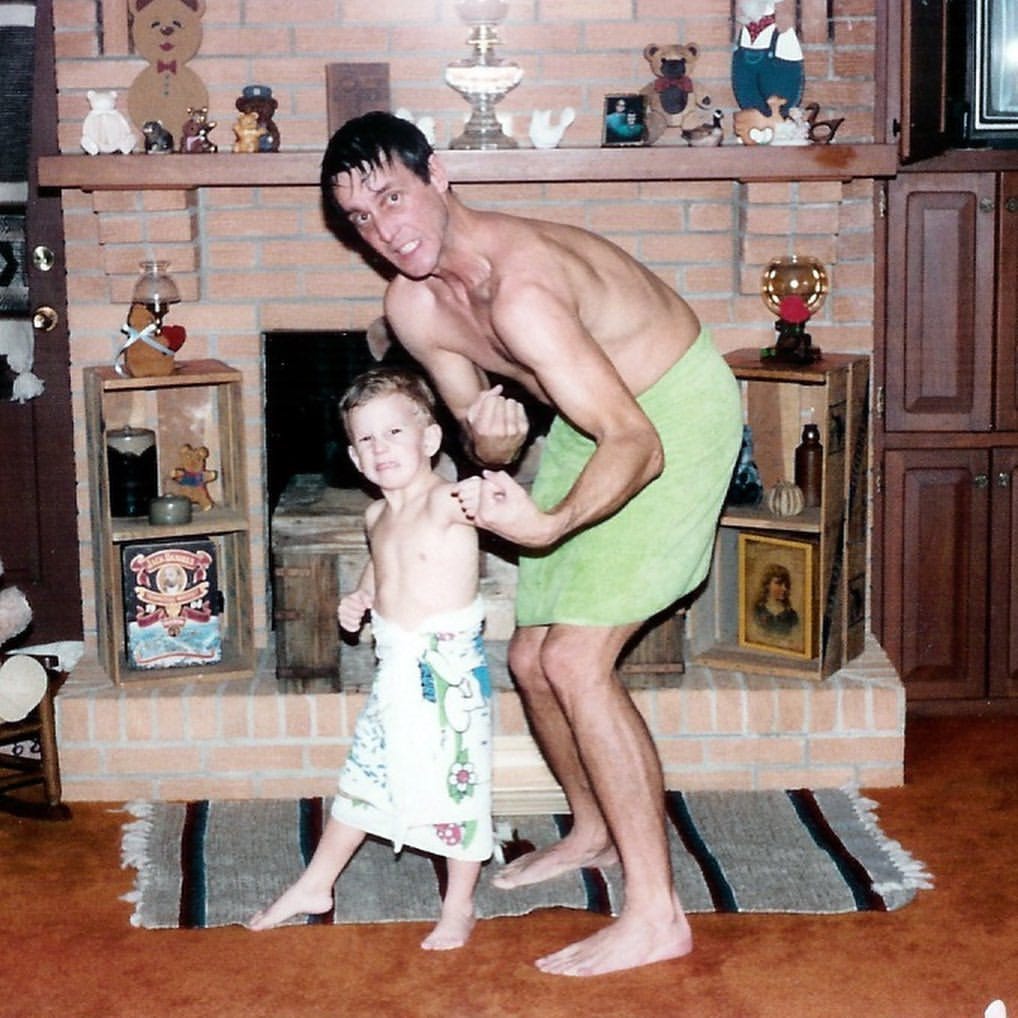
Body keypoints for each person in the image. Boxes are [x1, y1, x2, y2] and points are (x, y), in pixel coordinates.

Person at [319, 111, 743, 976]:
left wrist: (547, 524)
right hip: (596, 422)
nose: (384, 230)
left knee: (577, 661)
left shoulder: (524, 289)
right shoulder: (413, 304)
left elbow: (640, 443)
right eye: (361, 217)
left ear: (438, 175)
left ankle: (657, 913)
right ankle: (593, 831)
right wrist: (497, 441)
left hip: (672, 413)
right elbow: (483, 438)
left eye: (393, 197)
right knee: (530, 657)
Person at [249, 368, 493, 951]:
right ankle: (316, 885)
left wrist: (494, 492)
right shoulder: (375, 516)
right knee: (365, 776)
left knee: (457, 784)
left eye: (394, 432)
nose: (381, 448)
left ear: (430, 439)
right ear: (356, 459)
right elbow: (381, 564)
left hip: (445, 676)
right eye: (367, 439)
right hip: (396, 672)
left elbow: (486, 506)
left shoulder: (446, 501)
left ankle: (459, 905)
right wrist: (361, 595)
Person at [753, 562, 799, 636]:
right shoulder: (757, 611)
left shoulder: (792, 615)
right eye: (779, 583)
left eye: (786, 584)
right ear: (767, 585)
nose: (784, 588)